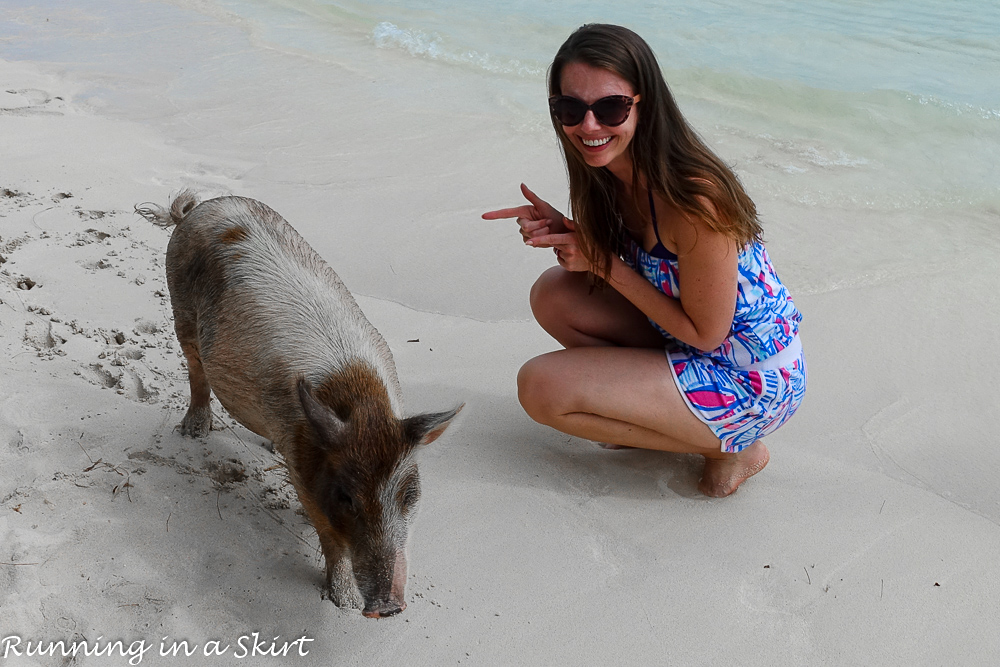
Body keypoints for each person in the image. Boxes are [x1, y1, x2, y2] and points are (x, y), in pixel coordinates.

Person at [482, 23, 806, 497]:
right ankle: (668, 416)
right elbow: (647, 275)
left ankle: (734, 447)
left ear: (643, 103)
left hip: (752, 379)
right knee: (553, 293)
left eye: (610, 107)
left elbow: (706, 333)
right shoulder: (608, 173)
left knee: (540, 388)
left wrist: (602, 263)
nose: (588, 125)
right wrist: (576, 235)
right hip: (688, 346)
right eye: (570, 108)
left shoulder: (695, 199)